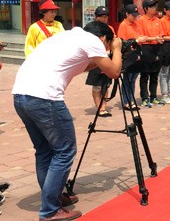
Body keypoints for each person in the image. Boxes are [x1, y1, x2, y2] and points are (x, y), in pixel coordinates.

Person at [12, 21, 122, 221]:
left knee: (44, 150)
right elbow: (114, 72)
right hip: (45, 99)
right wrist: (117, 50)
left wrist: (103, 57)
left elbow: (81, 66)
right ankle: (50, 210)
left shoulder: (67, 37)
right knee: (64, 151)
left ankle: (52, 197)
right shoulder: (94, 41)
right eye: (107, 45)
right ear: (104, 38)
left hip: (21, 96)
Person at [85, 6, 115, 117]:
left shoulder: (110, 28)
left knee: (106, 85)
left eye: (106, 16)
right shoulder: (91, 29)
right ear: (96, 17)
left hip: (107, 58)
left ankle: (104, 107)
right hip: (96, 60)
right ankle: (99, 108)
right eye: (101, 16)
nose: (104, 18)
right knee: (97, 86)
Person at [116, 4, 147, 110]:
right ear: (127, 14)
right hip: (128, 54)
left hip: (137, 52)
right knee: (127, 79)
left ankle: (131, 100)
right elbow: (122, 42)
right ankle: (126, 101)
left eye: (136, 15)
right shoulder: (123, 25)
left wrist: (141, 39)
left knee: (133, 78)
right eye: (132, 15)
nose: (135, 17)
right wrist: (135, 41)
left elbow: (140, 35)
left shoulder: (136, 24)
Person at [137, 0, 165, 108]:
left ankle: (153, 97)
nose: (154, 8)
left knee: (155, 75)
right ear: (145, 9)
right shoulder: (141, 20)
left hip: (157, 48)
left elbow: (162, 34)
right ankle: (144, 98)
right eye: (152, 7)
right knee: (145, 75)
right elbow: (141, 37)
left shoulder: (158, 20)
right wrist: (154, 38)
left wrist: (160, 39)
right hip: (146, 48)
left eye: (155, 6)